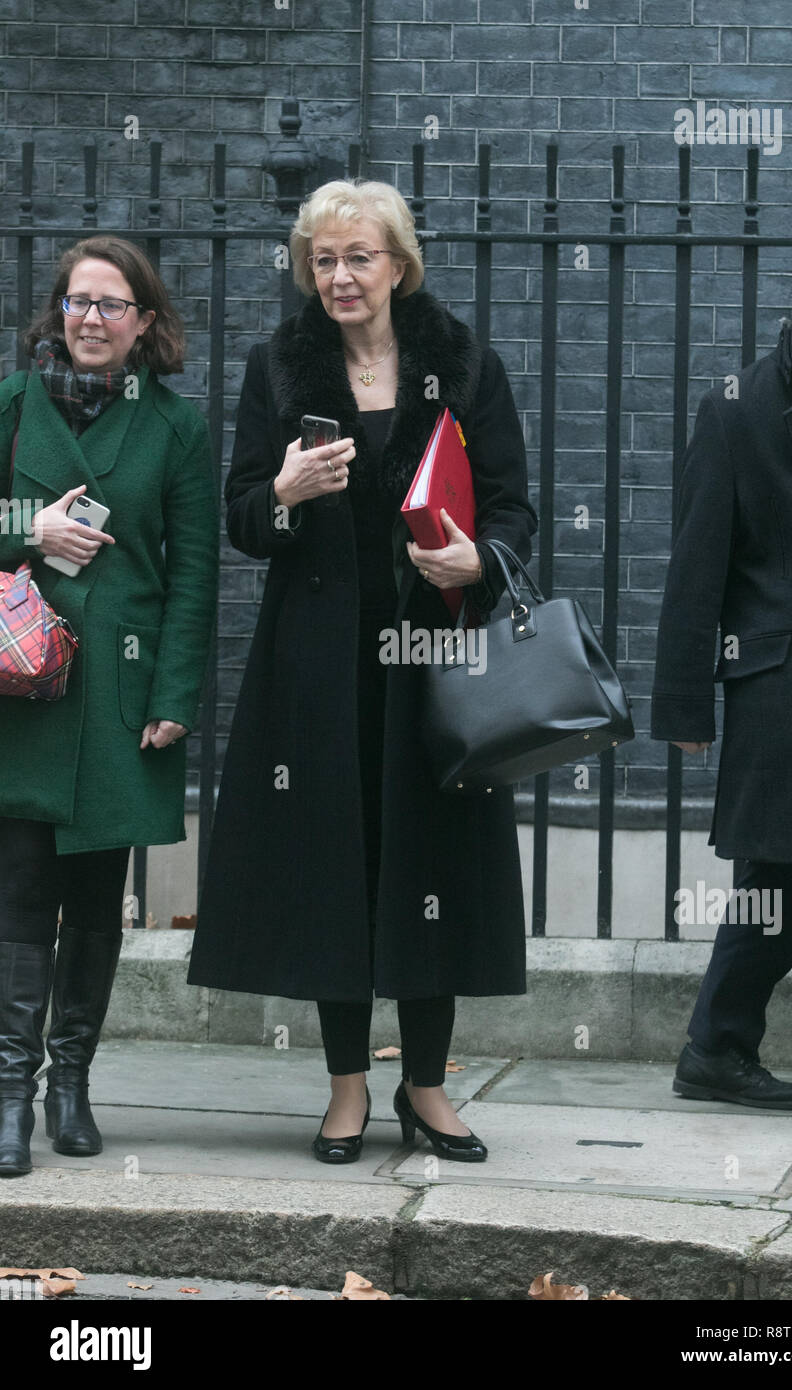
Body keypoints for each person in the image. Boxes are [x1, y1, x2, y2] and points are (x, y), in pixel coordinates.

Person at [187, 178, 536, 1163]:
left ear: (398, 264)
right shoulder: (279, 368)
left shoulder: (460, 365)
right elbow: (242, 517)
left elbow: (512, 507)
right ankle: (346, 1089)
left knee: (436, 869)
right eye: (322, 259)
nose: (339, 275)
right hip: (318, 663)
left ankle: (424, 1089)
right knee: (331, 869)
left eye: (357, 257)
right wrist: (286, 491)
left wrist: (481, 560)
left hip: (433, 661)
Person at [0, 235, 219, 1177]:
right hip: (20, 693)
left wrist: (174, 693)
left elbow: (195, 571)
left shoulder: (176, 427)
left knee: (94, 900)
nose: (92, 320)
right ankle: (8, 1094)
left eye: (113, 306)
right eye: (78, 303)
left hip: (121, 700)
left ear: (144, 325)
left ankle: (72, 1086)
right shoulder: (9, 409)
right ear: (57, 315)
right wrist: (26, 527)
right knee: (15, 896)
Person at [652, 215, 792, 1109]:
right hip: (783, 694)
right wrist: (685, 710)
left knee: (772, 893)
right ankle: (717, 1049)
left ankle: (715, 1048)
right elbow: (697, 563)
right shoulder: (739, 406)